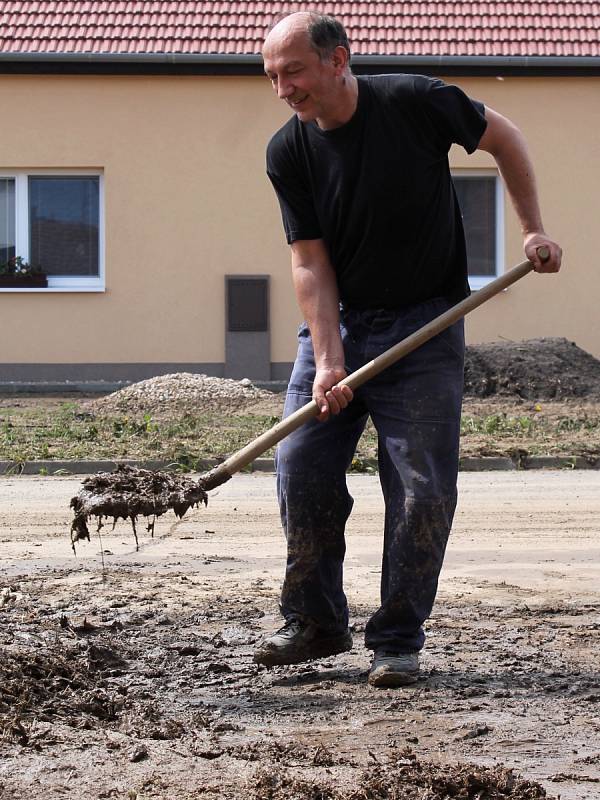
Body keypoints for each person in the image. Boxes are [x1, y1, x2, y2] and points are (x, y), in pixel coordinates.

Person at [254, 11, 562, 687]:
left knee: (423, 491)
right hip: (340, 323)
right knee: (300, 466)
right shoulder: (289, 151)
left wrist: (532, 230)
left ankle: (396, 639)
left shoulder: (417, 101)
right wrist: (329, 359)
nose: (284, 90)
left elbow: (503, 137)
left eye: (294, 71)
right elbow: (310, 263)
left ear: (339, 60)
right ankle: (315, 623)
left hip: (425, 324)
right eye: (272, 76)